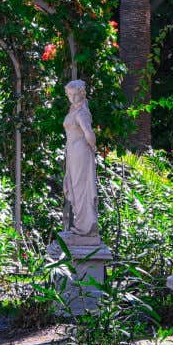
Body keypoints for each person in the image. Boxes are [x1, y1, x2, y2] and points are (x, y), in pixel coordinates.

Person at [62, 80, 99, 242]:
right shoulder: (73, 109)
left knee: (81, 187)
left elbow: (89, 133)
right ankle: (81, 223)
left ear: (82, 93)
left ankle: (87, 226)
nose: (73, 97)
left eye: (76, 94)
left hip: (81, 152)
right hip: (73, 152)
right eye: (70, 94)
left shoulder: (82, 113)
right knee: (76, 187)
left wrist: (93, 148)